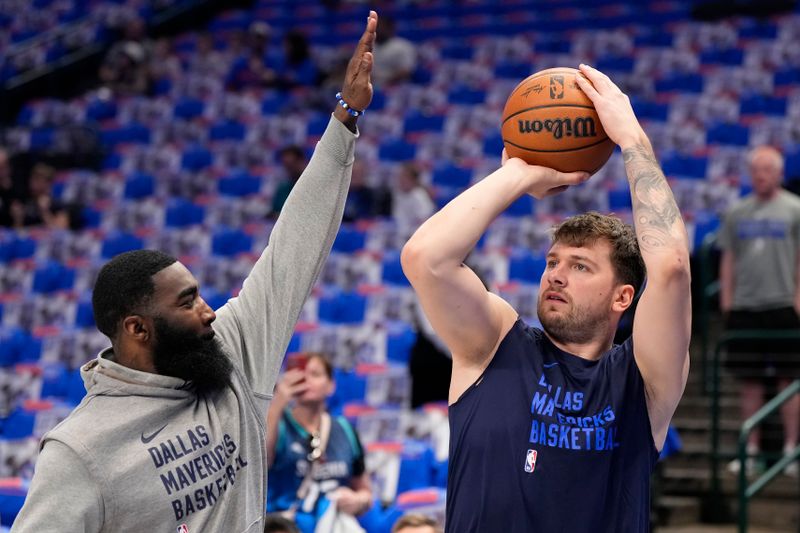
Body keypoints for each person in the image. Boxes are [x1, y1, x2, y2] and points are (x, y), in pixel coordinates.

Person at [10, 11, 377, 532]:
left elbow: (293, 248)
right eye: (185, 302)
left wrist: (344, 119)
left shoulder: (230, 355)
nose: (208, 311)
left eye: (199, 294)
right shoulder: (80, 453)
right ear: (137, 329)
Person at [401, 64, 691, 532]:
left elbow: (673, 267)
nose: (556, 276)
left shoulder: (643, 380)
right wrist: (518, 173)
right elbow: (424, 258)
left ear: (623, 297)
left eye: (580, 266)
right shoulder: (495, 343)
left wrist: (633, 139)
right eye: (552, 262)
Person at [719, 145, 800, 476]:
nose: (761, 175)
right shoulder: (738, 212)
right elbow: (729, 259)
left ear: (779, 173)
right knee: (749, 381)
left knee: (789, 380)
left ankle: (790, 450)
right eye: (756, 169)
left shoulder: (795, 210)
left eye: (767, 169)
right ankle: (750, 450)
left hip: (783, 305)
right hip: (746, 307)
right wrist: (726, 301)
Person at [266, 353, 372, 526]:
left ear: (331, 385)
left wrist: (357, 500)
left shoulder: (345, 429)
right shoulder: (278, 423)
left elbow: (365, 491)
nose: (306, 379)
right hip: (283, 526)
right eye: (300, 373)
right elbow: (260, 463)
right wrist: (277, 403)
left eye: (315, 374)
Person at [272, 146, 308, 216]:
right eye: (285, 165)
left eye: (291, 165)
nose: (288, 169)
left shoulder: (314, 185)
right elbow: (275, 212)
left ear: (301, 161)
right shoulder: (283, 189)